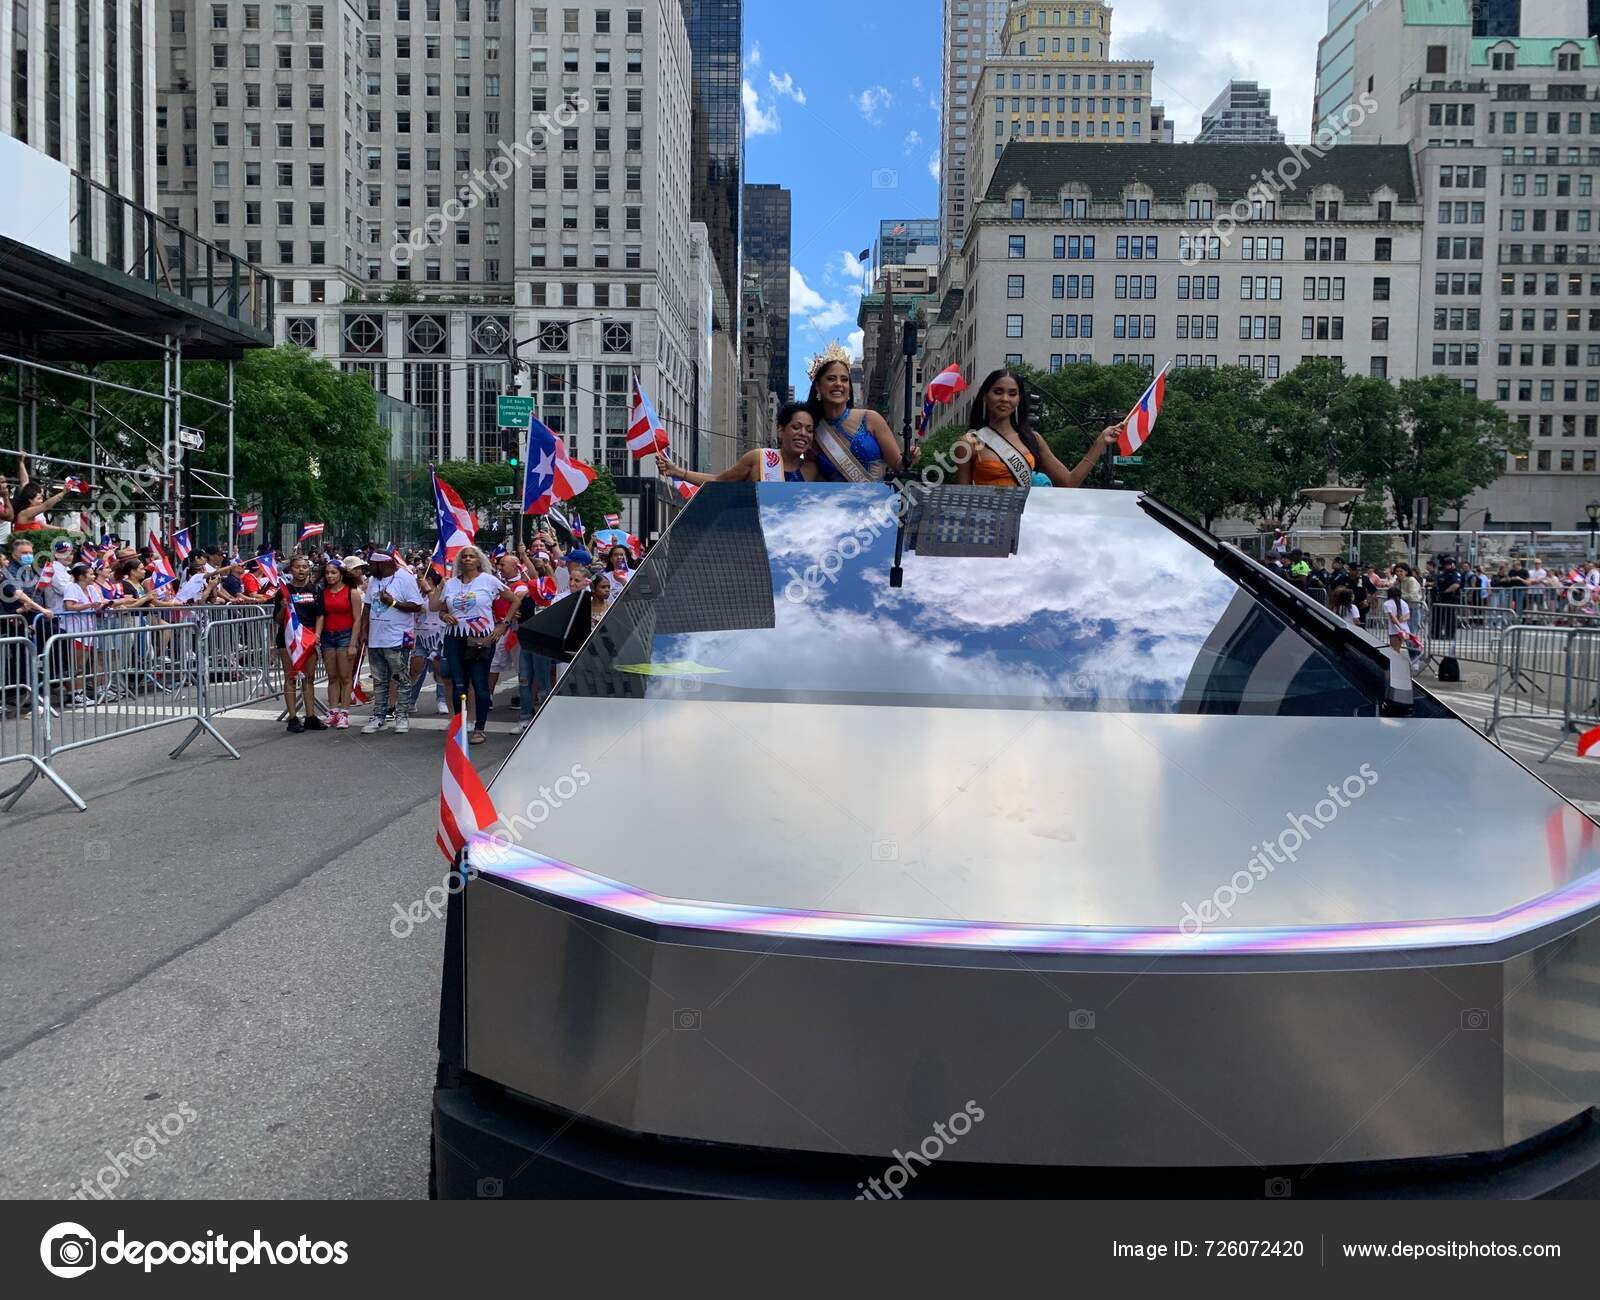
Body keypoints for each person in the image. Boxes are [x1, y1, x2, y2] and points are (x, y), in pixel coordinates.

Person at [954, 369, 1120, 488]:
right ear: (985, 396)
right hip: (988, 525)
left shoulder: (1032, 439)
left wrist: (1100, 443)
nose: (1005, 399)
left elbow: (1069, 482)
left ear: (1019, 399)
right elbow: (963, 499)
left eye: (1012, 394)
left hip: (1025, 524)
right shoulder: (969, 443)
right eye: (998, 392)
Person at [429, 545, 507, 745]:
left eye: (472, 556)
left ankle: (480, 728)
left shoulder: (489, 581)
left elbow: (513, 599)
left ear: (479, 560)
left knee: (480, 684)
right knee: (458, 684)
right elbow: (435, 607)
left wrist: (502, 625)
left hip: (480, 638)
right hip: (455, 638)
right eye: (464, 557)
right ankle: (459, 726)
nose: (467, 559)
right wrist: (445, 614)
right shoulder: (451, 583)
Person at [659, 401, 824, 484]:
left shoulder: (812, 469)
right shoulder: (758, 459)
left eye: (809, 430)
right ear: (781, 431)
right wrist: (678, 472)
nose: (803, 434)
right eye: (796, 427)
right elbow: (719, 481)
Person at [805, 347, 906, 482]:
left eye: (844, 379)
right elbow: (810, 476)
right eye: (831, 378)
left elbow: (897, 464)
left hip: (875, 501)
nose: (839, 384)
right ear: (817, 386)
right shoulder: (813, 430)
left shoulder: (871, 419)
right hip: (832, 501)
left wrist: (908, 458)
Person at [362, 551, 424, 735]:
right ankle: (379, 716)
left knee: (400, 678)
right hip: (376, 638)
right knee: (379, 681)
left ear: (383, 564)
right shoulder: (373, 581)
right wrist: (364, 632)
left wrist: (393, 602)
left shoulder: (405, 578)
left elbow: (417, 605)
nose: (369, 568)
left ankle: (402, 715)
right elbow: (367, 607)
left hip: (398, 637)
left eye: (372, 564)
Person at [275, 556, 324, 733]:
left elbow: (320, 615)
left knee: (309, 678)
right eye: (297, 567)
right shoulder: (283, 591)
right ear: (291, 569)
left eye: (304, 567)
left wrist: (317, 634)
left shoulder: (316, 590)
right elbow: (278, 619)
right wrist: (282, 606)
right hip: (287, 640)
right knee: (291, 677)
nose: (301, 570)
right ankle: (293, 718)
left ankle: (311, 716)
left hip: (309, 639)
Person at [314, 558, 365, 731]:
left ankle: (344, 712)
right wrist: (318, 635)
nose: (329, 576)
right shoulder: (323, 592)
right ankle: (333, 711)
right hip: (328, 636)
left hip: (345, 635)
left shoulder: (352, 592)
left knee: (345, 676)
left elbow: (357, 619)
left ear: (341, 574)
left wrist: (353, 643)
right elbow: (320, 615)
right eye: (327, 573)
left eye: (333, 572)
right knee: (332, 676)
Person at [487, 551, 531, 703]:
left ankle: (523, 697)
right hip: (500, 630)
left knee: (521, 666)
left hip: (515, 632)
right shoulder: (500, 585)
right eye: (499, 564)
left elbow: (518, 604)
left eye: (503, 564)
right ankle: (488, 697)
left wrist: (511, 613)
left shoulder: (520, 587)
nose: (500, 567)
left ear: (515, 567)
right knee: (493, 663)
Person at [408, 562, 451, 717]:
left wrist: (428, 588)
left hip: (437, 636)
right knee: (415, 669)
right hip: (419, 636)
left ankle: (442, 700)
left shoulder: (439, 592)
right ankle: (411, 701)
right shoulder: (415, 593)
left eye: (423, 577)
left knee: (439, 669)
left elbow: (435, 606)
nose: (419, 580)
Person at [5, 457, 70, 532]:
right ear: (30, 500)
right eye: (39, 498)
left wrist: (21, 463)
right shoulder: (25, 513)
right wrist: (63, 493)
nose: (42, 501)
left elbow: (25, 482)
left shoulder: (34, 514)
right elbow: (45, 506)